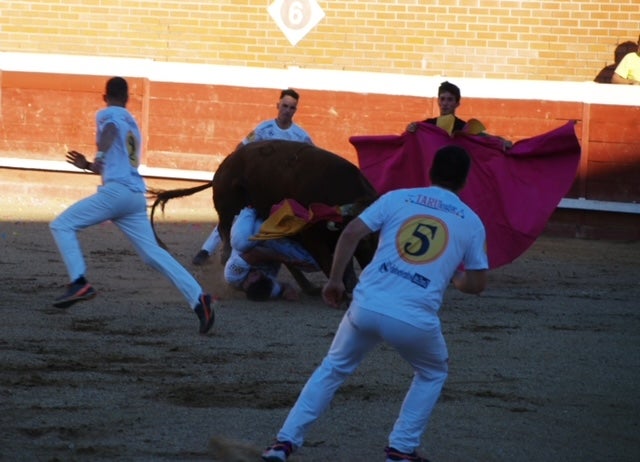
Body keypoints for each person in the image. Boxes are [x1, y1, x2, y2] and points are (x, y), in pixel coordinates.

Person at [261, 145, 489, 462]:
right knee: (432, 372)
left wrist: (336, 280)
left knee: (333, 368)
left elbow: (351, 232)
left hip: (366, 305)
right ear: (465, 180)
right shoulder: (472, 221)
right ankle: (401, 448)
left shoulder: (397, 198)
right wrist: (456, 279)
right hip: (413, 319)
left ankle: (283, 443)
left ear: (430, 172)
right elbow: (477, 284)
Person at [50, 77, 216, 335]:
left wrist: (96, 160)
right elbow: (116, 148)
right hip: (134, 195)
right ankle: (199, 299)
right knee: (153, 255)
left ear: (105, 97)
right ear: (127, 98)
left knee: (62, 224)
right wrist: (94, 165)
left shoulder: (107, 114)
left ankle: (79, 281)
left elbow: (108, 133)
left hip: (116, 193)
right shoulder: (133, 123)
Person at [192, 88, 313, 266]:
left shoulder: (301, 136)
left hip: (281, 191)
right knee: (232, 214)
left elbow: (311, 162)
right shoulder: (264, 128)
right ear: (278, 105)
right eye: (285, 106)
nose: (287, 111)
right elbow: (241, 147)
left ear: (295, 110)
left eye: (292, 108)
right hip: (256, 185)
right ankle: (207, 250)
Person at [223, 206, 319, 301]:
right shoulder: (268, 287)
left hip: (252, 234)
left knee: (240, 244)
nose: (258, 273)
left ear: (247, 286)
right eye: (262, 276)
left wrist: (287, 259)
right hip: (272, 241)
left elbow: (254, 253)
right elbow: (285, 287)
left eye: (254, 277)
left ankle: (250, 209)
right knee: (312, 264)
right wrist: (288, 292)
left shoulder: (233, 276)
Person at [406, 81, 512, 149]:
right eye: (442, 99)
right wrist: (411, 129)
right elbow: (410, 138)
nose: (445, 103)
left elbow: (484, 138)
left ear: (457, 103)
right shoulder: (428, 125)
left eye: (450, 99)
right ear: (438, 101)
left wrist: (501, 142)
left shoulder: (464, 127)